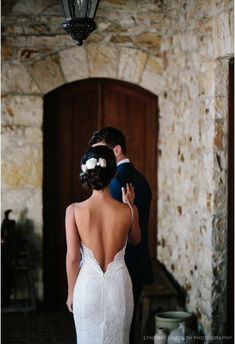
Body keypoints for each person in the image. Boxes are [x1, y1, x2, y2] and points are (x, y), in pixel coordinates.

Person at [65, 145, 141, 344]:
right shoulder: (129, 211)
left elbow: (73, 257)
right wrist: (131, 204)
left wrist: (71, 292)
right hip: (119, 288)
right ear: (114, 173)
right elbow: (136, 240)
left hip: (86, 288)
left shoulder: (73, 211)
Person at [89, 127, 153, 343]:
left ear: (116, 150)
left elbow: (109, 231)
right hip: (137, 261)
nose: (97, 160)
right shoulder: (140, 179)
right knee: (126, 329)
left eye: (101, 152)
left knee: (113, 330)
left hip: (120, 267)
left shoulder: (115, 182)